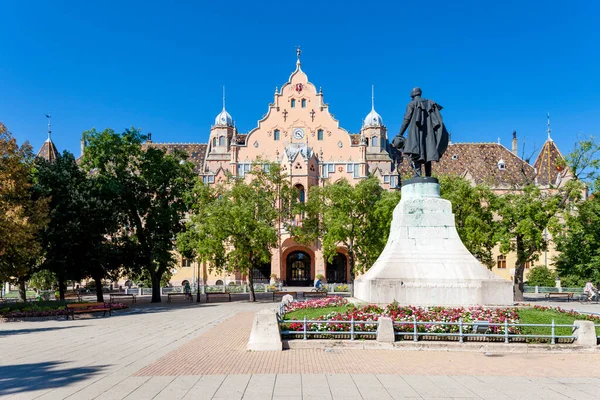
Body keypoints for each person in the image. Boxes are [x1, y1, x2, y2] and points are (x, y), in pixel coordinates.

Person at [391, 87, 449, 177]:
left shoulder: (411, 104)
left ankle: (418, 173)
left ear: (412, 95)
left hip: (415, 132)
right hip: (429, 133)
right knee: (428, 151)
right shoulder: (429, 103)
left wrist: (400, 133)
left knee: (415, 150)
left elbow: (406, 119)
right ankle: (428, 175)